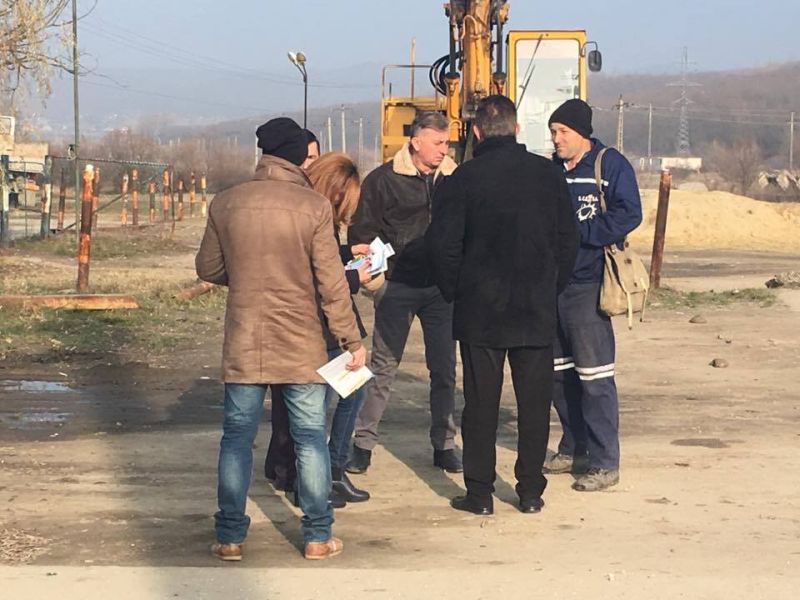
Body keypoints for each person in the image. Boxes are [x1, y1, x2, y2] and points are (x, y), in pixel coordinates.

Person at [196, 117, 366, 561]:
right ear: (296, 156)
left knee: (237, 438)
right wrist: (351, 340)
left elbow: (207, 268)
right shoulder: (314, 207)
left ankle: (230, 537)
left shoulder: (226, 202)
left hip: (245, 340)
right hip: (301, 342)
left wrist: (246, 274)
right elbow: (332, 284)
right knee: (310, 437)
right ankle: (317, 535)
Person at [425, 95, 578, 515]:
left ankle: (480, 494)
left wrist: (455, 290)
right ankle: (530, 491)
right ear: (516, 129)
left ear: (476, 132)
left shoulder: (462, 179)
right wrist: (550, 287)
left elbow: (443, 246)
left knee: (480, 405)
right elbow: (569, 242)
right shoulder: (548, 176)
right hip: (535, 307)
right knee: (533, 404)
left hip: (481, 310)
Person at [346, 111, 462, 475]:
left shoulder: (455, 179)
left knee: (444, 369)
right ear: (415, 141)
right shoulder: (382, 181)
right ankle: (363, 443)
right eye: (437, 142)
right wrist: (376, 280)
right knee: (383, 367)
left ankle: (444, 444)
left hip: (440, 289)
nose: (444, 149)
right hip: (397, 286)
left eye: (447, 142)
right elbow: (360, 234)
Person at [264, 152, 373, 506]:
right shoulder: (311, 216)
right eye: (345, 203)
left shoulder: (318, 218)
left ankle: (329, 470)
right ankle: (312, 481)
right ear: (334, 192)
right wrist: (353, 278)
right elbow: (314, 275)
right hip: (316, 326)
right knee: (314, 410)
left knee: (351, 392)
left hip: (328, 324)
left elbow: (321, 261)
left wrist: (346, 253)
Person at [545, 98, 642, 492]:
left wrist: (582, 236)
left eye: (562, 132)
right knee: (558, 375)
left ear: (582, 133)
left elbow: (629, 213)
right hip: (553, 287)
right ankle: (574, 447)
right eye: (553, 132)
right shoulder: (551, 170)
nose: (556, 139)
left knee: (595, 378)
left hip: (589, 286)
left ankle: (605, 463)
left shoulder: (609, 165)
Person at [263, 128, 322, 493]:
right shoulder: (311, 207)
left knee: (241, 430)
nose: (311, 164)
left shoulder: (234, 201)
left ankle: (278, 468)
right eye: (309, 157)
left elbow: (212, 267)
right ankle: (313, 507)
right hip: (299, 326)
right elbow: (324, 275)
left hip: (254, 329)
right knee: (307, 424)